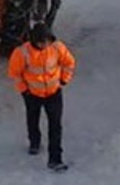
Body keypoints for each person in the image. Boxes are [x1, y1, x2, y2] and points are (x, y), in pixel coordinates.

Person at [8, 23, 76, 172]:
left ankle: (55, 159)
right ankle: (34, 142)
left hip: (54, 93)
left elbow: (69, 62)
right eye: (41, 42)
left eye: (47, 41)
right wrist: (24, 91)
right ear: (34, 40)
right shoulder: (22, 53)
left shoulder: (57, 48)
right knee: (33, 119)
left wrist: (64, 79)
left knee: (55, 126)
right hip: (32, 95)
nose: (45, 44)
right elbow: (15, 74)